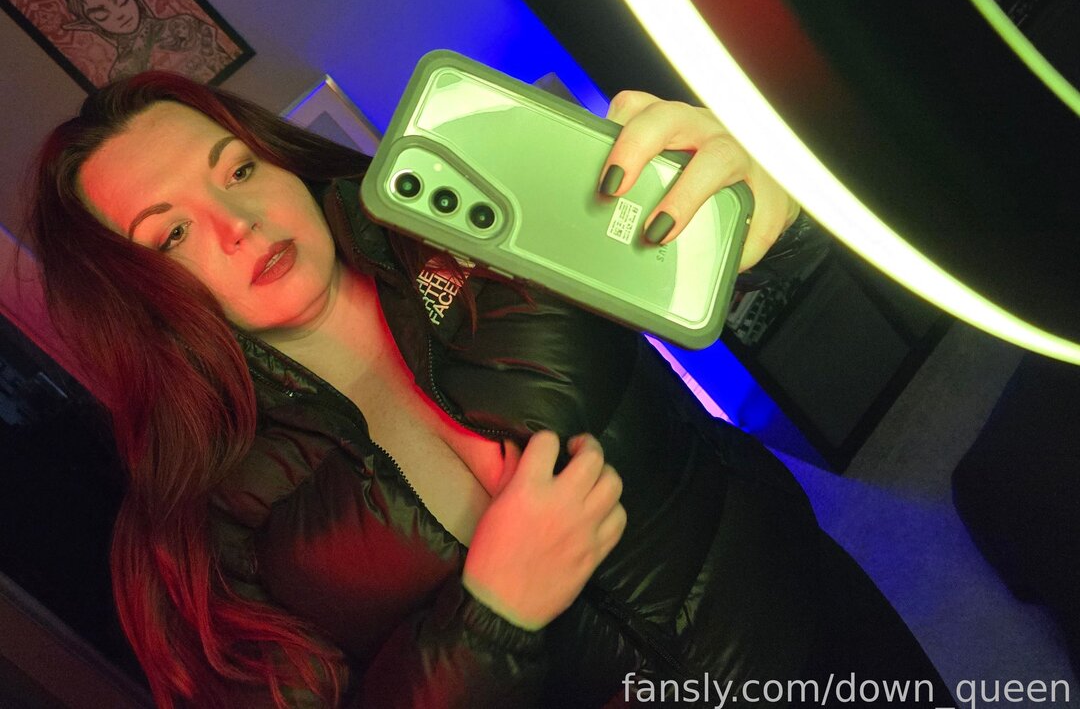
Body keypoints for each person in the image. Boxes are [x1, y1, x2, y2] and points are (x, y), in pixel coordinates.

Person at [30, 70, 949, 708]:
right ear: (129, 297)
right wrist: (493, 616)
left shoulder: (467, 217)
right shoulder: (192, 533)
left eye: (237, 169)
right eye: (171, 235)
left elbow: (708, 263)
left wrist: (764, 213)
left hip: (817, 627)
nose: (237, 220)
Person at [62, 0, 233, 83]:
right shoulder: (121, 74)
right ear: (92, 25)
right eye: (101, 15)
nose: (119, 15)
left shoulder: (183, 25)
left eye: (121, 0)